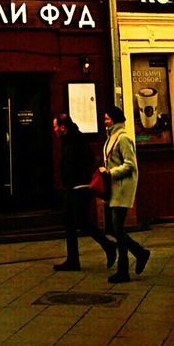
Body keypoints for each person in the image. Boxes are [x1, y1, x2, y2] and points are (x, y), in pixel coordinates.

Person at [52, 113, 116, 272]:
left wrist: (79, 179)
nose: (54, 130)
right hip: (71, 187)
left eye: (55, 126)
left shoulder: (76, 140)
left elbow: (85, 161)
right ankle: (73, 260)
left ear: (63, 127)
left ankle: (108, 245)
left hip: (79, 187)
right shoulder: (68, 139)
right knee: (69, 223)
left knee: (81, 221)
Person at [99, 106, 150, 283]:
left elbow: (130, 165)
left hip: (122, 188)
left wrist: (110, 172)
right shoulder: (110, 138)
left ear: (114, 119)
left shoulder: (124, 138)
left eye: (107, 118)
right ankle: (140, 253)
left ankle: (123, 270)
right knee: (114, 229)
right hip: (113, 189)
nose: (104, 121)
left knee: (117, 229)